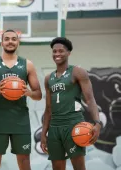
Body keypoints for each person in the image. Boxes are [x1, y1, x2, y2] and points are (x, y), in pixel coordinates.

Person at [0, 29, 42, 170]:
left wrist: (28, 93)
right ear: (1, 42)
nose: (10, 41)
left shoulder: (28, 65)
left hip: (20, 118)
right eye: (7, 39)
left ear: (18, 42)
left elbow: (38, 94)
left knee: (24, 159)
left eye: (13, 39)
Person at [40, 37, 102, 170]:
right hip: (55, 128)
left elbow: (90, 99)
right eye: (54, 51)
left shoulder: (77, 72)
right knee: (57, 167)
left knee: (79, 167)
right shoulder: (48, 79)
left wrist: (97, 123)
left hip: (73, 124)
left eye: (61, 51)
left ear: (69, 53)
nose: (57, 54)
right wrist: (44, 133)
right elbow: (48, 108)